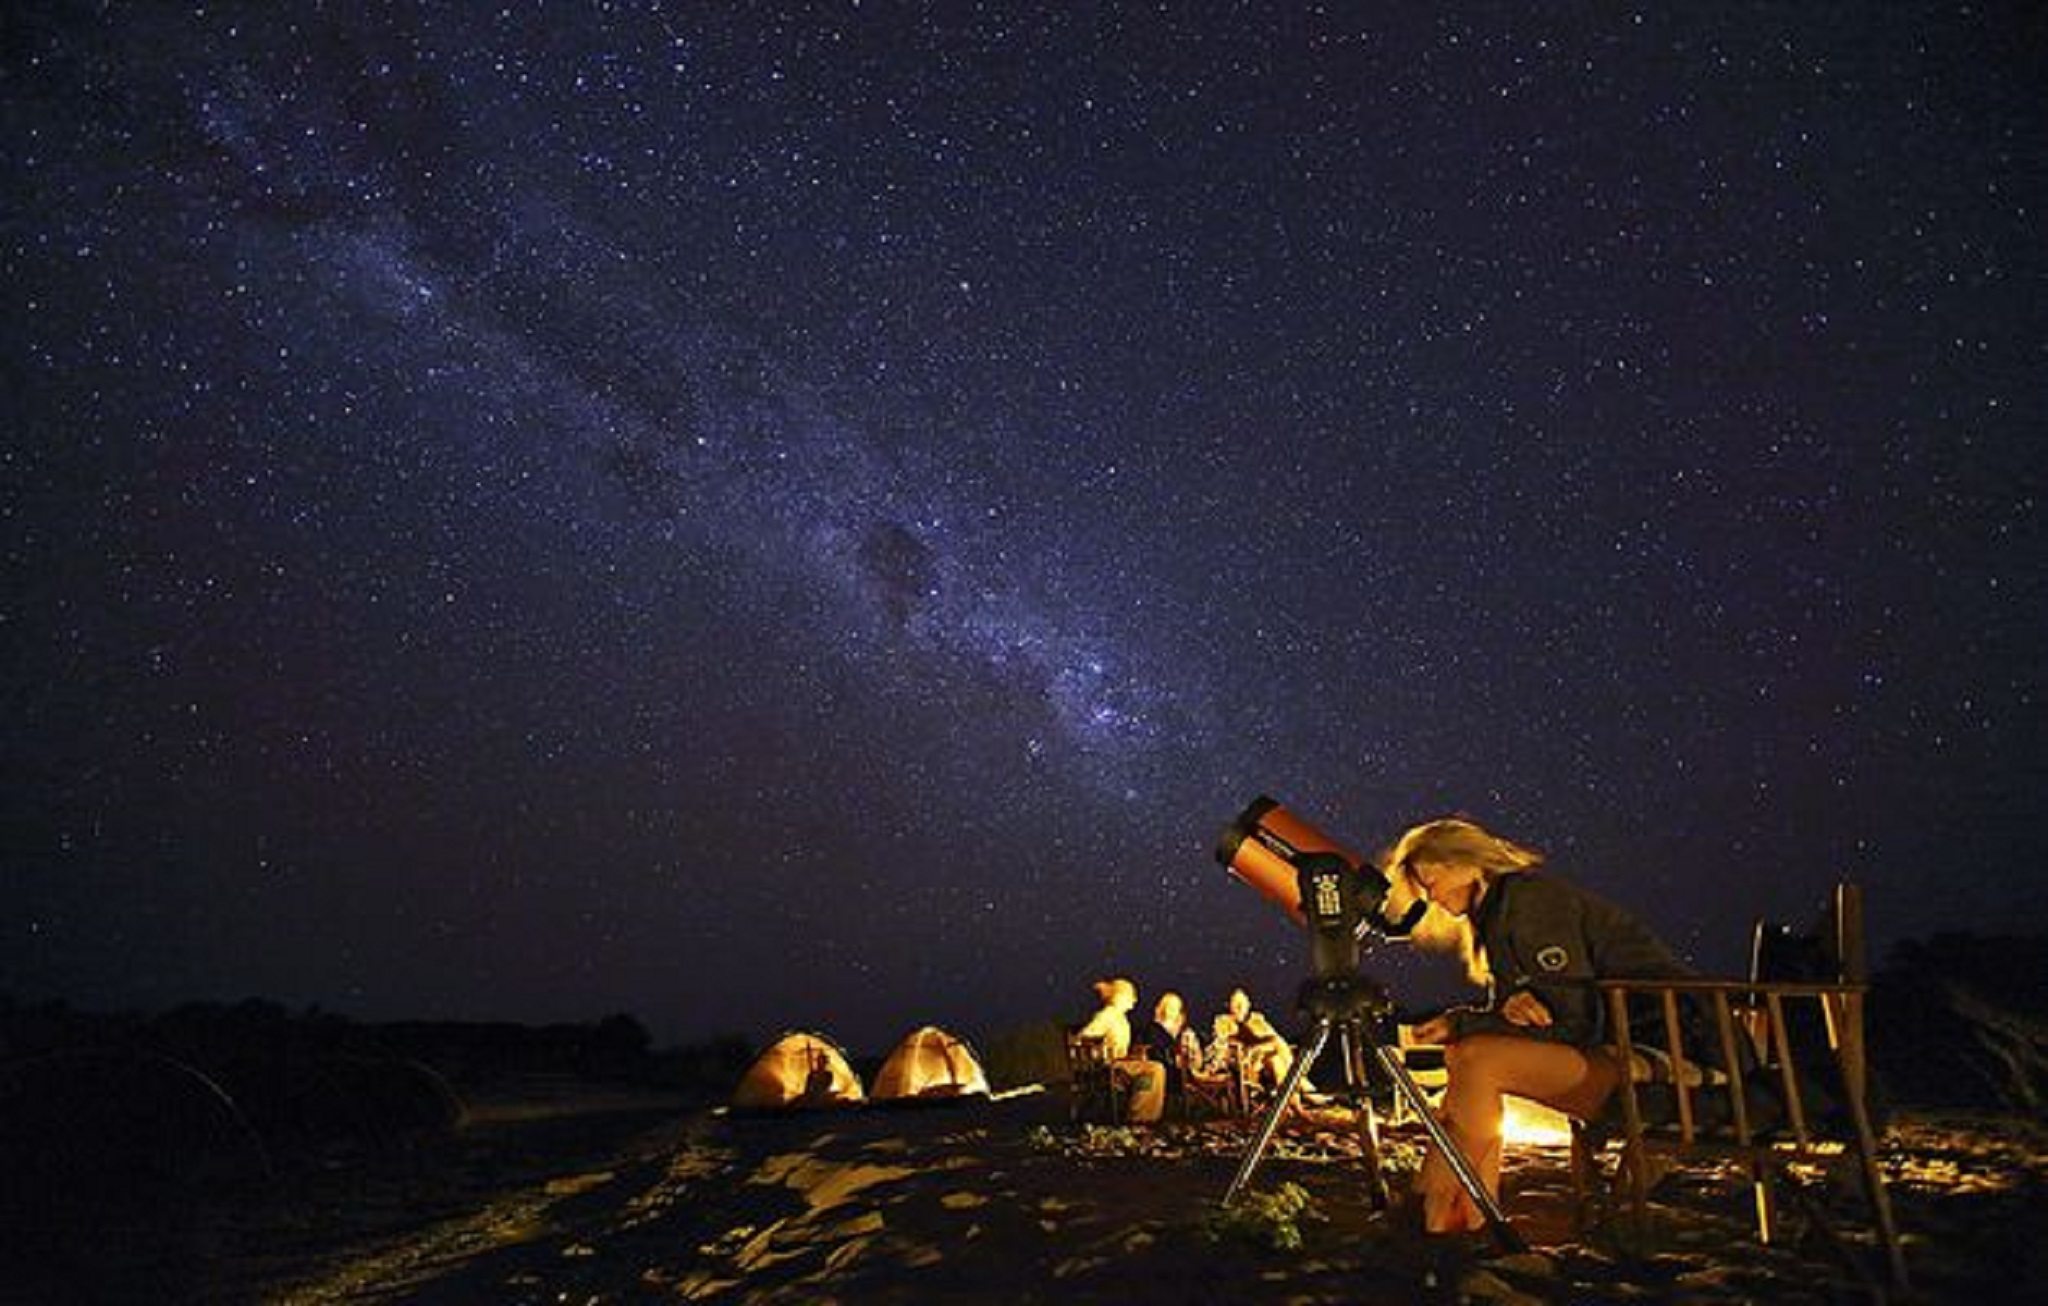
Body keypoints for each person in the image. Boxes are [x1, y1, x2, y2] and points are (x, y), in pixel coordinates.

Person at [1383, 816, 1695, 1236]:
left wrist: (1465, 1022)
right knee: (1467, 1062)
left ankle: (1428, 1209)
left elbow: (1572, 1021)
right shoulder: (1498, 912)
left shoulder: (1530, 903)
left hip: (1673, 1051)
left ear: (1468, 864)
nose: (1431, 896)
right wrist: (1475, 1020)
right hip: (1618, 1039)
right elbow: (1529, 1014)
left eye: (1432, 880)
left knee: (1476, 1059)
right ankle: (1463, 1219)